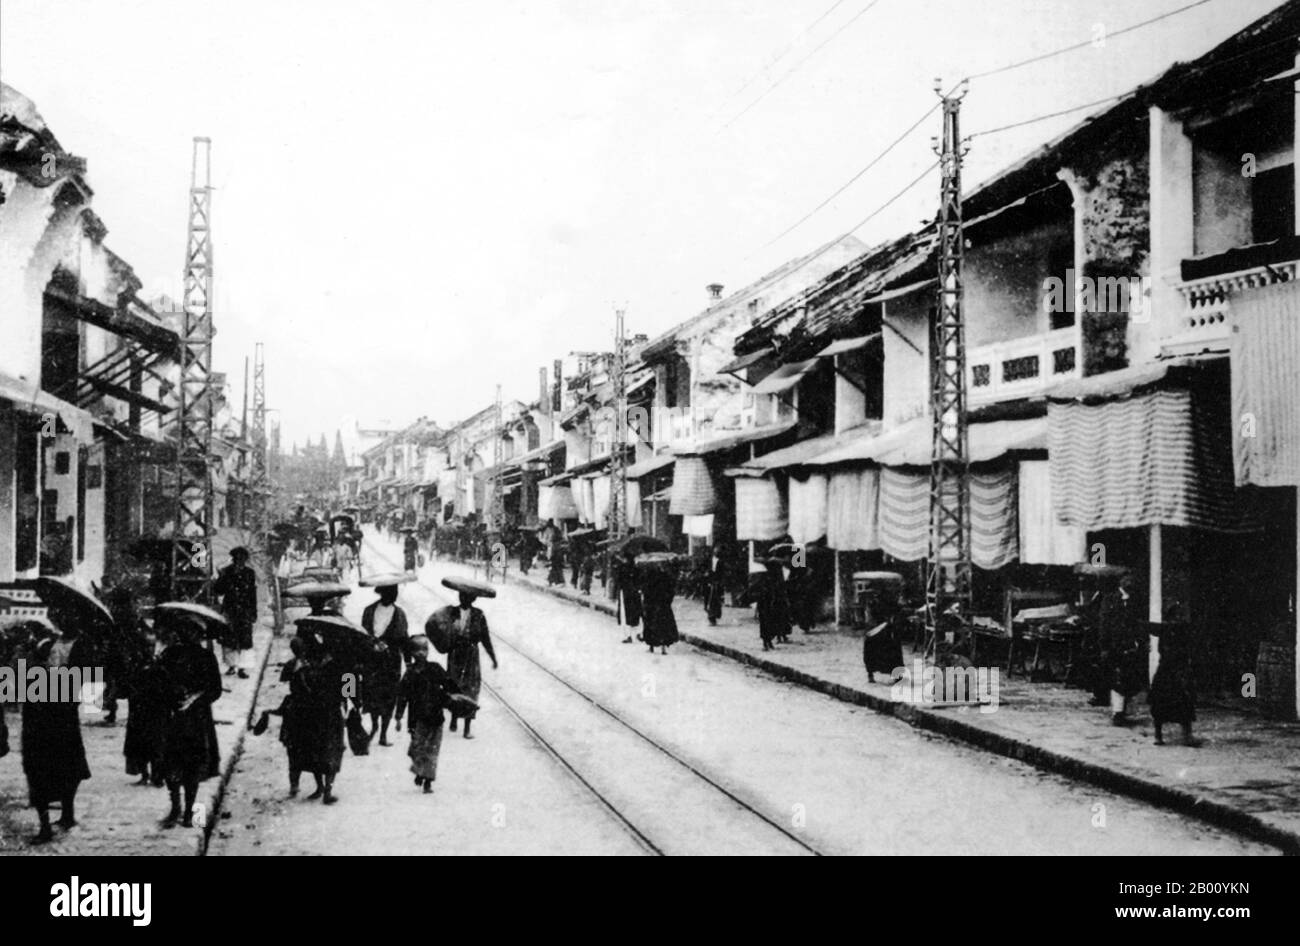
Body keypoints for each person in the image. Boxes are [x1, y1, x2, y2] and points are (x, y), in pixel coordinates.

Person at [21, 616, 92, 843]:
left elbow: (90, 690)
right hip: (39, 712)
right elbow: (22, 680)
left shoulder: (83, 647)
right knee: (38, 768)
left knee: (69, 767)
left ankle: (67, 813)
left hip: (63, 715)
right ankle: (44, 825)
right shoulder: (47, 644)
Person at [156, 612, 222, 829]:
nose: (187, 635)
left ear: (199, 634)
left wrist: (196, 698)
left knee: (192, 766)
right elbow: (159, 682)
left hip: (197, 720)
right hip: (172, 717)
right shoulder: (169, 654)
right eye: (184, 630)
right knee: (171, 764)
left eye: (193, 631)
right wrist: (171, 693)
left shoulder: (206, 657)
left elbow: (215, 690)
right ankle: (175, 807)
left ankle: (190, 812)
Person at [281, 630, 345, 803]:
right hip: (319, 712)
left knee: (324, 750)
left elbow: (348, 682)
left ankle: (324, 789)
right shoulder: (307, 664)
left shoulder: (330, 663)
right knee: (324, 750)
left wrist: (349, 701)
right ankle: (324, 789)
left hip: (322, 711)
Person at [428, 590, 497, 739]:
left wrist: (493, 657)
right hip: (455, 653)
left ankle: (467, 727)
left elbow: (485, 637)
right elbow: (435, 625)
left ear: (473, 598)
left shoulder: (479, 615)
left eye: (467, 596)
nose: (463, 598)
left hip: (471, 655)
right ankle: (453, 717)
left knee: (471, 689)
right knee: (454, 685)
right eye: (461, 595)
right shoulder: (451, 612)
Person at [394, 635, 459, 793]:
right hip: (417, 719)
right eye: (418, 650)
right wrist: (398, 717)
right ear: (412, 653)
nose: (422, 653)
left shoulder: (435, 668)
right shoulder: (409, 674)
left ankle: (428, 780)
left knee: (432, 750)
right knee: (417, 749)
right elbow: (402, 696)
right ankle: (419, 770)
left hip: (436, 716)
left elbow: (449, 684)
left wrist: (459, 697)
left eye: (425, 649)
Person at [360, 582, 409, 746]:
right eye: (391, 591)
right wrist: (372, 644)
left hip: (391, 663)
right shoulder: (369, 611)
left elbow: (404, 639)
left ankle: (383, 733)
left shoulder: (400, 614)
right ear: (383, 593)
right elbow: (363, 633)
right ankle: (374, 726)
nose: (394, 595)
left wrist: (408, 661)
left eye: (395, 592)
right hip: (372, 661)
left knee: (389, 698)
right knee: (373, 696)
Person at [123, 621, 168, 786]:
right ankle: (144, 773)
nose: (149, 649)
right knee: (138, 743)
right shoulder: (135, 664)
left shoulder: (159, 663)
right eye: (147, 646)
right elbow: (128, 683)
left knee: (156, 744)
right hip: (139, 707)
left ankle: (157, 775)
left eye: (152, 646)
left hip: (156, 709)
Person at [1150, 624, 1198, 747]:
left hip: (1176, 668)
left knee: (1184, 700)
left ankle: (1186, 734)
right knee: (1162, 702)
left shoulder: (1182, 631)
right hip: (1168, 669)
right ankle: (1159, 734)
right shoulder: (1166, 631)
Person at [213, 547, 257, 679]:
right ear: (233, 559)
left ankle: (243, 668)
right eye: (237, 559)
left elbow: (252, 594)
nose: (239, 562)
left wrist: (254, 612)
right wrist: (220, 577)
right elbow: (218, 590)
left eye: (242, 559)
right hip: (230, 609)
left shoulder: (250, 573)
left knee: (245, 639)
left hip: (245, 610)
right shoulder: (226, 572)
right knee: (229, 639)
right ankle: (232, 665)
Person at [638, 561, 679, 655]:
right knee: (663, 626)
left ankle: (651, 646)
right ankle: (663, 647)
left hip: (651, 605)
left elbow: (645, 590)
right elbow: (671, 590)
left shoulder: (648, 576)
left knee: (650, 625)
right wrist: (668, 601)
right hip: (663, 605)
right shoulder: (666, 576)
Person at [753, 560, 792, 651]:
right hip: (770, 604)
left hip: (765, 604)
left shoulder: (764, 577)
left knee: (765, 623)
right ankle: (768, 642)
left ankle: (767, 642)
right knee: (770, 623)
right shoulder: (775, 578)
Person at [703, 543, 727, 626]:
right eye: (716, 550)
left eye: (719, 550)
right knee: (708, 599)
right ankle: (710, 616)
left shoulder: (721, 562)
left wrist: (720, 582)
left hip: (716, 583)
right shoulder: (708, 560)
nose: (717, 551)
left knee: (714, 600)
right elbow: (703, 568)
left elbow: (722, 573)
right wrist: (705, 574)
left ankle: (713, 617)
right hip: (708, 582)